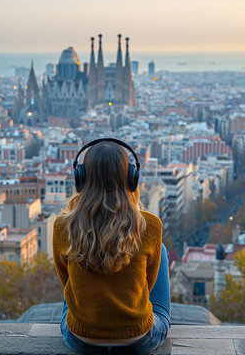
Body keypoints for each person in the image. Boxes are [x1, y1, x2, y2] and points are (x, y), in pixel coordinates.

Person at [53, 138, 171, 355]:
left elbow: (65, 280)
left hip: (80, 339)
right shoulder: (151, 225)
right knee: (160, 250)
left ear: (81, 178)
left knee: (72, 281)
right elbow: (149, 283)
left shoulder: (62, 225)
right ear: (131, 178)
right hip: (138, 339)